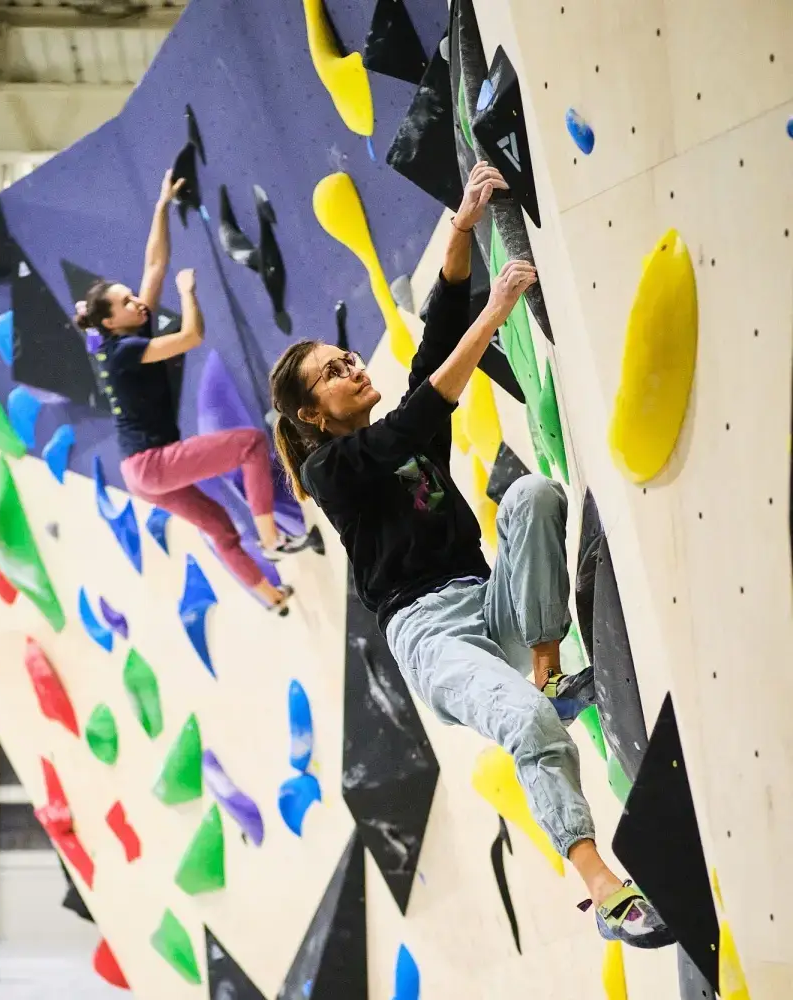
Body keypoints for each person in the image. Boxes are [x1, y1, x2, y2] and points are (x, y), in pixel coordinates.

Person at [267, 161, 673, 948]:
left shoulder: (396, 424)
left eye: (346, 358)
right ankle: (603, 887)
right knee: (520, 719)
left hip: (489, 602)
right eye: (332, 374)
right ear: (312, 413)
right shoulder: (330, 469)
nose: (352, 367)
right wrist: (497, 311)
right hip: (432, 637)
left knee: (532, 497)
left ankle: (551, 671)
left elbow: (442, 326)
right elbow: (418, 415)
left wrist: (463, 224)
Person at [74, 168, 312, 613]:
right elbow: (190, 338)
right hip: (152, 464)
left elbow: (154, 264)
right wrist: (188, 293)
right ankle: (271, 538)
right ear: (110, 322)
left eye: (131, 296)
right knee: (248, 445)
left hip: (142, 473)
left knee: (220, 527)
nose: (136, 302)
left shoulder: (118, 337)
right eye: (126, 303)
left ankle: (271, 598)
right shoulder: (123, 351)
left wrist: (162, 206)